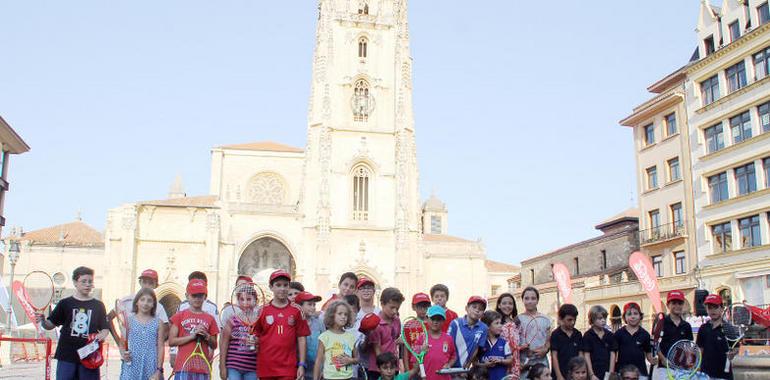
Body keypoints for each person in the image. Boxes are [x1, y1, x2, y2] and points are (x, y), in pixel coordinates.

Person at [38, 266, 110, 380]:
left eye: (90, 281)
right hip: (67, 354)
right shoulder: (65, 303)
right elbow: (49, 325)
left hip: (90, 355)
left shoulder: (98, 305)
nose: (87, 284)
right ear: (75, 282)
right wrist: (42, 321)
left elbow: (105, 328)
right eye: (84, 281)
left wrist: (101, 335)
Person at [255, 269, 310, 380]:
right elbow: (256, 335)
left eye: (285, 285)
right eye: (278, 285)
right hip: (266, 368)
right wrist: (253, 341)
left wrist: (301, 364)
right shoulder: (262, 310)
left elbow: (302, 339)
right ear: (271, 287)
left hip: (288, 368)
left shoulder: (297, 310)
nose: (282, 288)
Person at [168, 279, 219, 380]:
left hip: (202, 368)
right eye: (194, 295)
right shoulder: (179, 316)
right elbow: (171, 341)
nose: (197, 299)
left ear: (205, 297)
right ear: (187, 296)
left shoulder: (210, 318)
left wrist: (206, 336)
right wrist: (192, 336)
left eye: (200, 295)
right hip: (182, 367)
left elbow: (214, 345)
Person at [119, 288, 165, 380]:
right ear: (137, 302)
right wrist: (124, 354)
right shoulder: (128, 321)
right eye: (142, 299)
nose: (145, 303)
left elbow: (161, 347)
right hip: (131, 366)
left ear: (153, 304)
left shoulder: (159, 323)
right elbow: (122, 343)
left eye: (149, 301)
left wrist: (159, 370)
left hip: (150, 366)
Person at [113, 269, 169, 343]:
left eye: (151, 283)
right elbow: (109, 318)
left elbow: (166, 330)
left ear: (155, 285)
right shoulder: (127, 301)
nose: (147, 286)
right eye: (144, 282)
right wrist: (117, 340)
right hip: (128, 349)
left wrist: (154, 344)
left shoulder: (159, 307)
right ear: (140, 282)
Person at [219, 281, 260, 380]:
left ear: (256, 301)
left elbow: (264, 341)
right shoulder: (233, 320)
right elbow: (224, 343)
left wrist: (257, 342)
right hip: (233, 366)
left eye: (249, 299)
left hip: (252, 367)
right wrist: (222, 366)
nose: (245, 303)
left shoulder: (259, 322)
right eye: (242, 299)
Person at [364, 287, 404, 380]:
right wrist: (385, 369)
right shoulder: (375, 323)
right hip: (378, 369)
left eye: (397, 308)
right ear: (382, 304)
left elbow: (395, 340)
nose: (395, 311)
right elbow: (377, 350)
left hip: (393, 367)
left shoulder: (397, 320)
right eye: (392, 307)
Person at [313, 300, 359, 380]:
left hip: (348, 378)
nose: (343, 316)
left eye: (346, 314)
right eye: (340, 314)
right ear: (332, 315)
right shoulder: (325, 336)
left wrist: (350, 360)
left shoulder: (351, 337)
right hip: (329, 378)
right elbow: (318, 361)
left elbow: (357, 359)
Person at [696, 294, 735, 380]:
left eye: (715, 307)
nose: (713, 310)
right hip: (705, 375)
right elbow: (699, 350)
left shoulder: (728, 328)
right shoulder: (703, 328)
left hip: (724, 375)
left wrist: (733, 353)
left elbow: (735, 348)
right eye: (709, 308)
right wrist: (697, 365)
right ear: (706, 310)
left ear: (721, 308)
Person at [614, 303, 654, 380]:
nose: (632, 316)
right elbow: (614, 355)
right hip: (623, 374)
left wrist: (654, 360)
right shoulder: (618, 333)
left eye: (635, 313)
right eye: (629, 314)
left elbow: (649, 356)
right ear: (624, 317)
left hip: (640, 373)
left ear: (640, 316)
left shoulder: (645, 334)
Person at [518, 287, 551, 379]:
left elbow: (548, 340)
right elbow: (514, 342)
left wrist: (545, 350)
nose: (530, 301)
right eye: (527, 298)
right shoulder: (518, 319)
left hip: (541, 361)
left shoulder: (546, 319)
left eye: (533, 298)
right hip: (524, 362)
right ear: (523, 300)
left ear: (537, 300)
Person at [447, 296, 488, 369]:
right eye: (474, 307)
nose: (477, 310)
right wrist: (448, 364)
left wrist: (468, 364)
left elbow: (476, 348)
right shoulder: (455, 323)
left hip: (464, 368)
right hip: (449, 365)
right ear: (466, 308)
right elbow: (448, 345)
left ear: (483, 313)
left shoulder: (484, 328)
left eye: (481, 309)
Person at [657, 291, 693, 370]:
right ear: (668, 305)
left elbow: (688, 347)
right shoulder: (661, 323)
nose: (677, 306)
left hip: (682, 369)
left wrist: (689, 360)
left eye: (680, 303)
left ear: (683, 305)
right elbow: (656, 345)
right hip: (664, 369)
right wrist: (663, 359)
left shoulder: (687, 326)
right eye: (674, 303)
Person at [581, 305, 617, 380]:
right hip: (594, 372)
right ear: (592, 320)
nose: (603, 320)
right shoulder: (588, 336)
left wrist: (610, 373)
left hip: (607, 372)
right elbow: (586, 355)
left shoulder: (610, 335)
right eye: (600, 318)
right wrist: (591, 374)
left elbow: (613, 354)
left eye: (604, 318)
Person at [297, 291, 325, 380]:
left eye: (314, 305)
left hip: (318, 371)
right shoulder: (295, 324)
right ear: (299, 306)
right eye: (309, 304)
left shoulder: (319, 322)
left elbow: (325, 345)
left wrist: (324, 368)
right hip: (301, 371)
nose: (313, 307)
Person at [423, 305, 456, 379]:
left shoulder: (448, 338)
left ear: (444, 321)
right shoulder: (422, 338)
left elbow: (453, 357)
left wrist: (449, 365)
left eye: (439, 319)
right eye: (432, 319)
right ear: (427, 319)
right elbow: (416, 361)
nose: (435, 322)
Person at [477, 310, 512, 380]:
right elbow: (474, 363)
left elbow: (510, 360)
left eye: (500, 323)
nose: (500, 325)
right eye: (497, 323)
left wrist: (500, 361)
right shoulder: (480, 343)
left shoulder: (504, 342)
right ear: (487, 326)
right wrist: (484, 365)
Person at [550, 304, 582, 380]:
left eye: (575, 319)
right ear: (561, 319)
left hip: (574, 374)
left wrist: (579, 372)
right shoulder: (555, 334)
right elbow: (554, 356)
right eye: (569, 320)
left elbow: (580, 355)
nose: (573, 322)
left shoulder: (578, 334)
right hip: (560, 372)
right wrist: (559, 376)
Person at [496, 292, 521, 379]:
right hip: (500, 360)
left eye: (510, 303)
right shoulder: (495, 322)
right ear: (499, 305)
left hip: (515, 362)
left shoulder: (517, 323)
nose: (507, 306)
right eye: (504, 303)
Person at [404, 292, 431, 372]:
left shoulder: (433, 324)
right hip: (413, 367)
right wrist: (407, 370)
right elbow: (406, 349)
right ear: (413, 307)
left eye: (425, 306)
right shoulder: (408, 325)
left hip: (429, 366)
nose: (423, 309)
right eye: (419, 306)